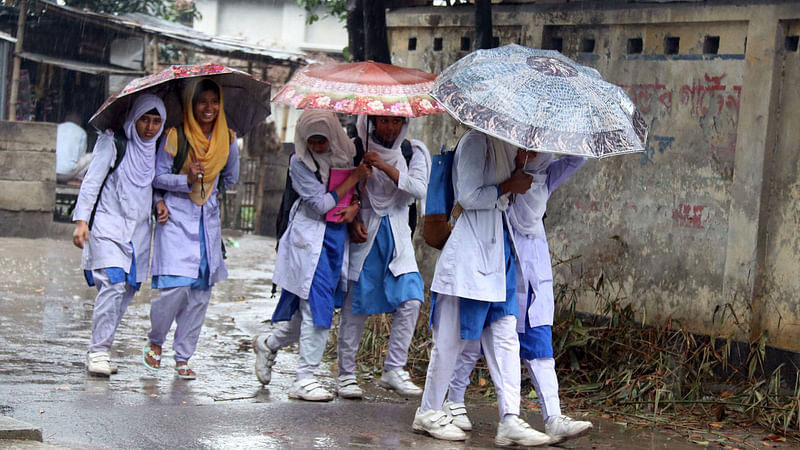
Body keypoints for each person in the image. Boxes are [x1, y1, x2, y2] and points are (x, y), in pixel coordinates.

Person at [413, 130, 554, 446]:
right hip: (468, 255)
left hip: (498, 252)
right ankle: (428, 411)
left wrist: (517, 174)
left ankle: (510, 418)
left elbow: (506, 197)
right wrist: (509, 185)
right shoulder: (477, 142)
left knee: (506, 337)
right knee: (450, 341)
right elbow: (468, 196)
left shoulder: (508, 146)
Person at [443, 150, 593, 442]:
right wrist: (511, 178)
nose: (533, 150)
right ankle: (454, 400)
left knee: (538, 340)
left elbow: (578, 159)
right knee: (474, 338)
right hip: (495, 260)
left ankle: (553, 417)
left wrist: (562, 136)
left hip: (534, 268)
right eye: (527, 144)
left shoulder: (545, 176)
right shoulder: (498, 171)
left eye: (540, 145)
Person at [252, 110, 371, 401]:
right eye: (312, 141)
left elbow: (351, 195)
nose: (318, 147)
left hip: (334, 241)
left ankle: (267, 344)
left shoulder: (346, 153)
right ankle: (304, 378)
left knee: (309, 312)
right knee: (317, 309)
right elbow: (319, 203)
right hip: (309, 240)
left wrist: (354, 205)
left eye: (323, 140)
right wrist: (354, 177)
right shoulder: (298, 163)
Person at [144, 78, 240, 380]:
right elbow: (157, 176)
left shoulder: (229, 139)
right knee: (176, 287)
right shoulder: (175, 135)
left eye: (214, 101)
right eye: (202, 101)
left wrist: (210, 183)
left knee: (199, 294)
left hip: (207, 221)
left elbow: (231, 178)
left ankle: (183, 356)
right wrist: (185, 179)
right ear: (191, 105)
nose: (208, 108)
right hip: (175, 218)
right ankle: (156, 340)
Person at [71, 94, 168, 376]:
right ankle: (98, 351)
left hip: (138, 232)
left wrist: (158, 202)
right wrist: (81, 222)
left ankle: (102, 347)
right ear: (133, 118)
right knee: (112, 285)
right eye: (144, 120)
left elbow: (148, 187)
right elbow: (92, 183)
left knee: (124, 293)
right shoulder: (113, 143)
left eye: (156, 121)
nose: (149, 127)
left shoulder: (156, 149)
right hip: (107, 225)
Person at [335, 115, 431, 399]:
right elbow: (343, 192)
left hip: (398, 241)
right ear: (371, 122)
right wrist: (352, 222)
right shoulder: (354, 149)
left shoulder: (413, 152)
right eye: (383, 122)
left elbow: (419, 188)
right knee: (356, 308)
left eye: (396, 122)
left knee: (412, 300)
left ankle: (393, 369)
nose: (389, 128)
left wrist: (384, 166)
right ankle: (345, 375)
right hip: (365, 240)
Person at [56, 113, 92, 183]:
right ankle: (77, 179)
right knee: (92, 156)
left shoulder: (58, 127)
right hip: (68, 175)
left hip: (51, 172)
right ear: (79, 122)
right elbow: (81, 156)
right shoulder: (82, 132)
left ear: (66, 120)